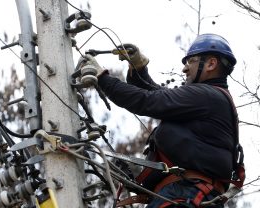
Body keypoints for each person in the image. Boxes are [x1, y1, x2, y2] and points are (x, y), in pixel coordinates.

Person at [81, 33, 244, 207]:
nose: (185, 69)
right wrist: (138, 69)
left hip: (187, 193)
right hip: (184, 193)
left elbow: (148, 101)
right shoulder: (208, 99)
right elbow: (157, 97)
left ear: (211, 64)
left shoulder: (207, 95)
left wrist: (102, 78)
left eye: (192, 61)